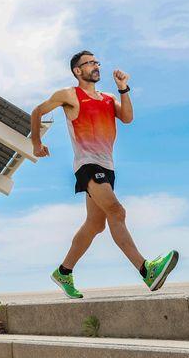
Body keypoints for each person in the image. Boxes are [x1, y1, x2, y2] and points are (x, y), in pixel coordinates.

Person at [29, 50, 178, 298]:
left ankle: (64, 272)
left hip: (108, 166)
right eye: (90, 63)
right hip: (88, 165)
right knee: (117, 212)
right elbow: (37, 112)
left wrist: (123, 88)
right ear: (78, 70)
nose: (96, 66)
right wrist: (36, 143)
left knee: (95, 224)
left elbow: (127, 118)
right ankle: (146, 270)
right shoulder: (69, 95)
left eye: (97, 62)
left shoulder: (108, 98)